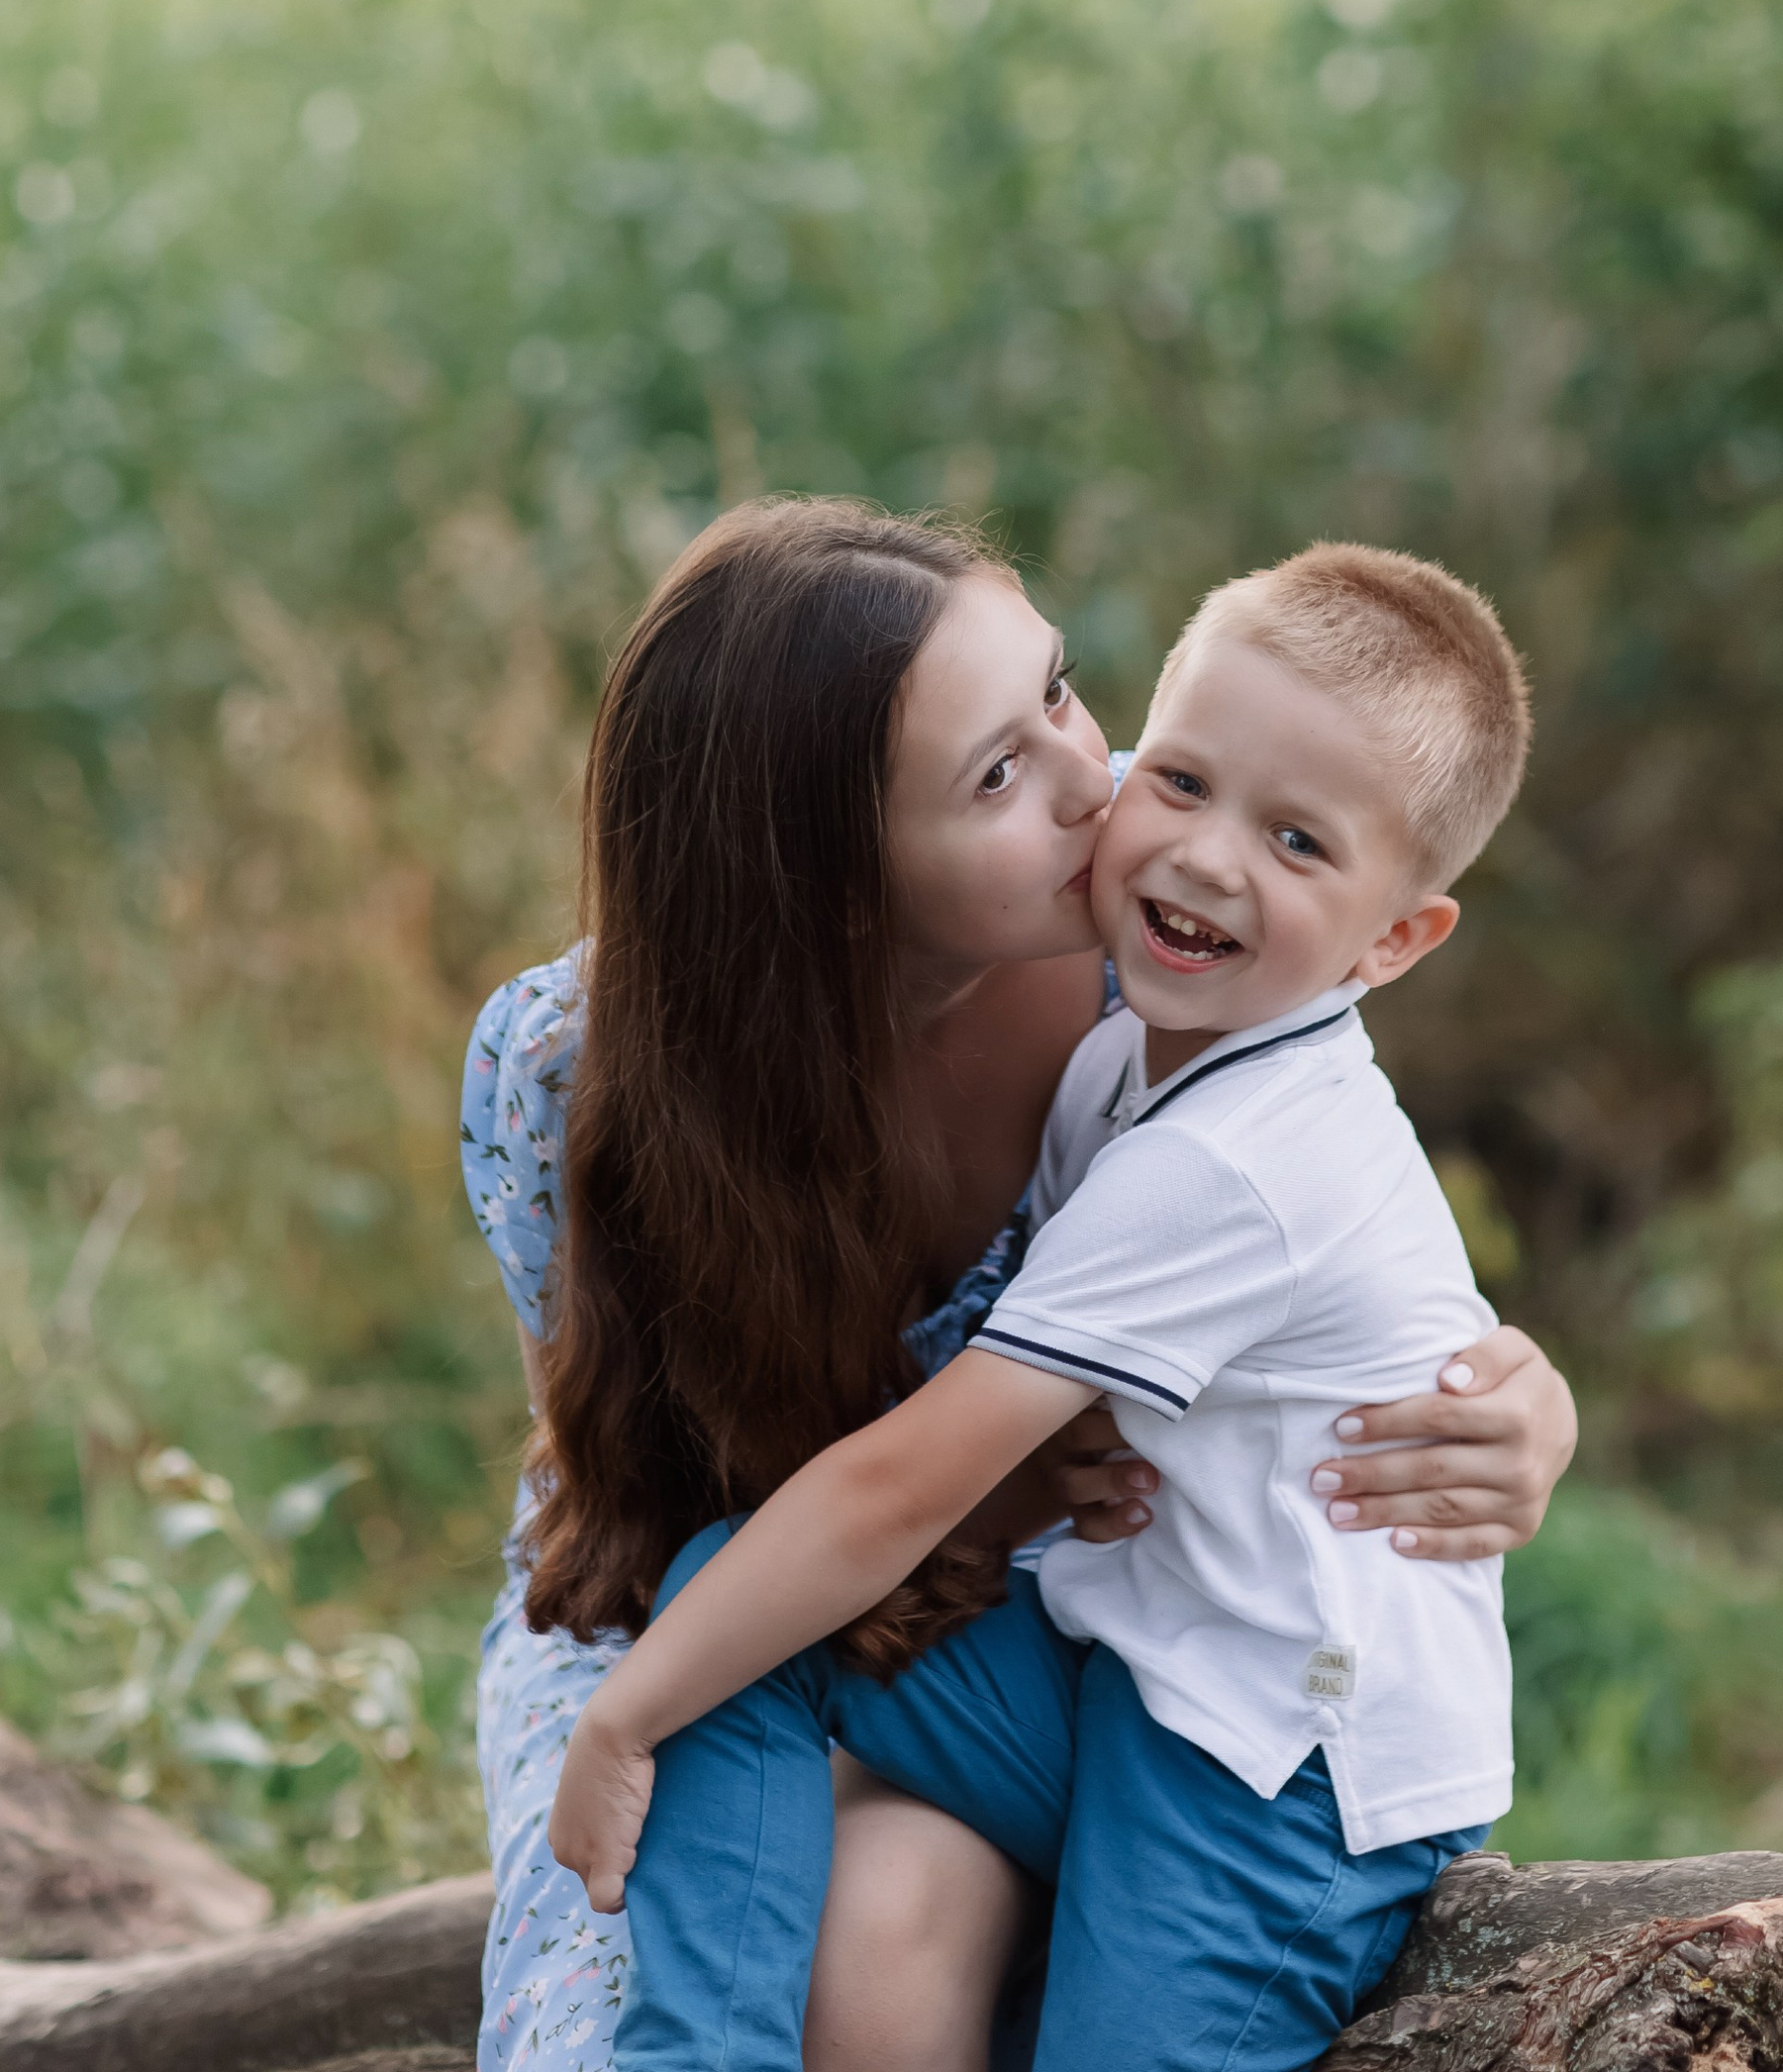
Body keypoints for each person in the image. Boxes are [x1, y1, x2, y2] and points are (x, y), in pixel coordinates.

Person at [463, 497, 1578, 2072]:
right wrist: (629, 1709)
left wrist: (1516, 1400)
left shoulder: (1178, 922)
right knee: (721, 1685)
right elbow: (640, 1508)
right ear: (834, 878)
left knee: (903, 1937)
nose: (1108, 791)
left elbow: (1344, 1258)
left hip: (1232, 1714)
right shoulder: (575, 1070)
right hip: (901, 1606)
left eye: (1062, 689)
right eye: (1001, 769)